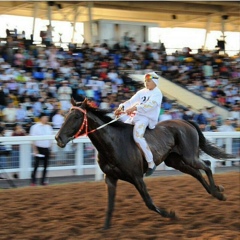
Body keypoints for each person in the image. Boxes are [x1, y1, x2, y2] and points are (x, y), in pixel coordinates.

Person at [114, 72, 163, 176]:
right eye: (145, 81)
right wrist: (120, 108)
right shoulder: (142, 92)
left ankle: (151, 162)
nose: (146, 83)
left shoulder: (157, 93)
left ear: (155, 82)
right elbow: (130, 101)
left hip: (146, 118)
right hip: (136, 116)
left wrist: (135, 108)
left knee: (137, 137)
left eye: (149, 81)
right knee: (121, 131)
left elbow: (151, 105)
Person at [29, 112, 53, 186]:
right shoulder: (35, 127)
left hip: (46, 148)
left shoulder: (49, 127)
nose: (46, 119)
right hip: (39, 148)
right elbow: (32, 139)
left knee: (46, 166)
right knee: (36, 165)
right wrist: (35, 149)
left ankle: (43, 181)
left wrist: (51, 150)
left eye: (47, 117)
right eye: (45, 117)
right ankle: (33, 181)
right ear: (41, 118)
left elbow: (51, 140)